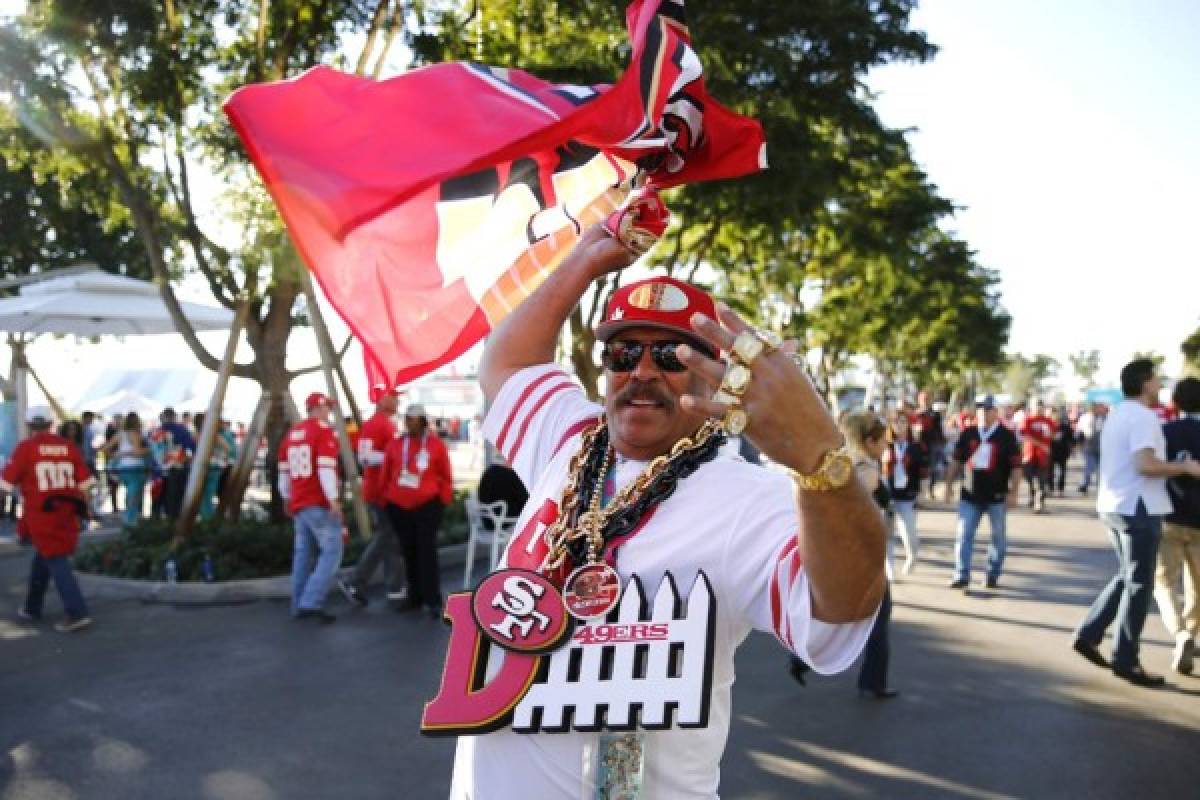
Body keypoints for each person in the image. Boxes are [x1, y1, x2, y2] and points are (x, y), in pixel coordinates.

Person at [450, 209, 885, 797]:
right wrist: (588, 255)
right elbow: (507, 363)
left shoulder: (746, 499)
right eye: (623, 354)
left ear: (713, 374)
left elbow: (843, 610)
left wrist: (820, 462)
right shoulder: (570, 441)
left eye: (673, 356)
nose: (644, 372)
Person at [1072, 360, 1200, 687]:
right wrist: (1184, 468)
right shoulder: (1143, 417)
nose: (1160, 385)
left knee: (1129, 576)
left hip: (1116, 505)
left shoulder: (1120, 413)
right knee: (1139, 584)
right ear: (1145, 383)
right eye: (1156, 379)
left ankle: (1090, 633)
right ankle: (1125, 659)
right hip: (1138, 508)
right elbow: (1146, 464)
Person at [4, 405, 96, 632]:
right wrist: (87, 510)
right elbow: (86, 484)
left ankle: (77, 612)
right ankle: (32, 607)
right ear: (51, 423)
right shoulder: (68, 448)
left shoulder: (25, 449)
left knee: (55, 559)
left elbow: (5, 484)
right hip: (67, 511)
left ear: (29, 425)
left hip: (41, 513)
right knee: (44, 557)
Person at [381, 402, 453, 618]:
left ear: (423, 421)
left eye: (414, 419)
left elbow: (445, 475)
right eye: (407, 419)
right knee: (408, 552)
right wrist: (387, 500)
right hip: (399, 507)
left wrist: (442, 501)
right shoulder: (395, 445)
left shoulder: (435, 445)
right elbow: (386, 474)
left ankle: (432, 600)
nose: (410, 423)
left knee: (426, 552)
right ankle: (414, 597)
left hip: (427, 505)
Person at [943, 395, 1021, 590]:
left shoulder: (1007, 436)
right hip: (970, 494)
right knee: (964, 535)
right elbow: (956, 461)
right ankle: (961, 574)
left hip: (996, 496)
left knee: (998, 537)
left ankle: (992, 573)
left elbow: (1016, 467)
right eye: (980, 409)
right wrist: (948, 486)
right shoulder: (968, 433)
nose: (983, 413)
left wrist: (1014, 492)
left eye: (987, 409)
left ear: (996, 412)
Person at [278, 392, 344, 623]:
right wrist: (334, 499)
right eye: (327, 408)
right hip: (317, 501)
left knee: (302, 554)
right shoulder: (323, 432)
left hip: (299, 502)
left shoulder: (292, 434)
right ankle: (311, 601)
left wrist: (287, 497)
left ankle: (298, 603)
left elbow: (284, 471)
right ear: (320, 408)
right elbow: (325, 468)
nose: (329, 413)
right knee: (332, 551)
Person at [339, 384, 406, 609]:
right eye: (393, 397)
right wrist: (393, 458)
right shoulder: (376, 424)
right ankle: (357, 582)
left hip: (384, 491)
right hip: (379, 492)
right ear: (382, 399)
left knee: (390, 538)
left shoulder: (383, 423)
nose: (397, 401)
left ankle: (394, 587)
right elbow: (365, 457)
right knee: (387, 537)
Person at [1154, 377, 1200, 674]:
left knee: (1165, 583)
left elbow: (1151, 469)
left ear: (1176, 403)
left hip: (1169, 515)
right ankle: (1192, 635)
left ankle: (1179, 633)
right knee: (1198, 586)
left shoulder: (1164, 432)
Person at [883, 410, 926, 575]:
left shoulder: (916, 447)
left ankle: (912, 556)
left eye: (902, 422)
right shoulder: (885, 445)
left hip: (908, 494)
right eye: (896, 422)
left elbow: (923, 471)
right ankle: (890, 568)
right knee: (887, 533)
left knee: (909, 531)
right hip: (887, 495)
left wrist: (921, 493)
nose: (899, 426)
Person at [101, 412, 151, 527]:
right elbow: (137, 452)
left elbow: (105, 448)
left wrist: (116, 455)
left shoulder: (120, 434)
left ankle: (129, 518)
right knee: (134, 495)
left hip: (122, 469)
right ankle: (131, 520)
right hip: (136, 468)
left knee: (130, 494)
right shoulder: (135, 434)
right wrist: (150, 449)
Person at [154, 408, 196, 519]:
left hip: (161, 470)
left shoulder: (158, 431)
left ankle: (161, 521)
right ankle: (175, 520)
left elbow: (154, 451)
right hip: (179, 466)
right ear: (174, 416)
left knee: (160, 498)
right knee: (177, 497)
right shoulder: (182, 429)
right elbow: (191, 447)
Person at [192, 412, 234, 520]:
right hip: (211, 467)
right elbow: (228, 449)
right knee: (205, 496)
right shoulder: (210, 434)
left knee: (205, 496)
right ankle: (208, 520)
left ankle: (208, 520)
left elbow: (227, 448)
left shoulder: (205, 434)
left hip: (210, 468)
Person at [1019, 397, 1056, 513]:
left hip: (1043, 457)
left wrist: (1049, 435)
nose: (1039, 408)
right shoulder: (1027, 420)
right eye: (1036, 406)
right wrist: (1041, 444)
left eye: (1041, 406)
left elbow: (1053, 435)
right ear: (1032, 407)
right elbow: (1025, 435)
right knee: (1029, 479)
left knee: (1041, 481)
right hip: (1029, 455)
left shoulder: (1048, 421)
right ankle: (1032, 497)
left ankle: (1039, 503)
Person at [912, 390, 945, 501]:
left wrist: (941, 442)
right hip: (918, 444)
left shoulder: (935, 414)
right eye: (923, 399)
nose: (925, 401)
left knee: (932, 468)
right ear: (919, 400)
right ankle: (917, 490)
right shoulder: (915, 414)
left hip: (932, 444)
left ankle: (930, 490)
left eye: (927, 399)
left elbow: (939, 430)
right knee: (917, 467)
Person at [1076, 403, 1106, 494]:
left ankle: (1100, 485)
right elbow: (1080, 431)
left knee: (1100, 468)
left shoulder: (1103, 418)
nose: (1098, 410)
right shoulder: (1086, 418)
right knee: (1090, 466)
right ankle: (1085, 484)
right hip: (1088, 445)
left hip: (1100, 446)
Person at [1050, 406, 1074, 496]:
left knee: (1062, 472)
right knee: (1050, 471)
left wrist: (1071, 448)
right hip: (1051, 452)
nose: (1056, 420)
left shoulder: (1065, 427)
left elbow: (1071, 439)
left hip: (1063, 452)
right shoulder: (1049, 426)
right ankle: (1051, 488)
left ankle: (1061, 489)